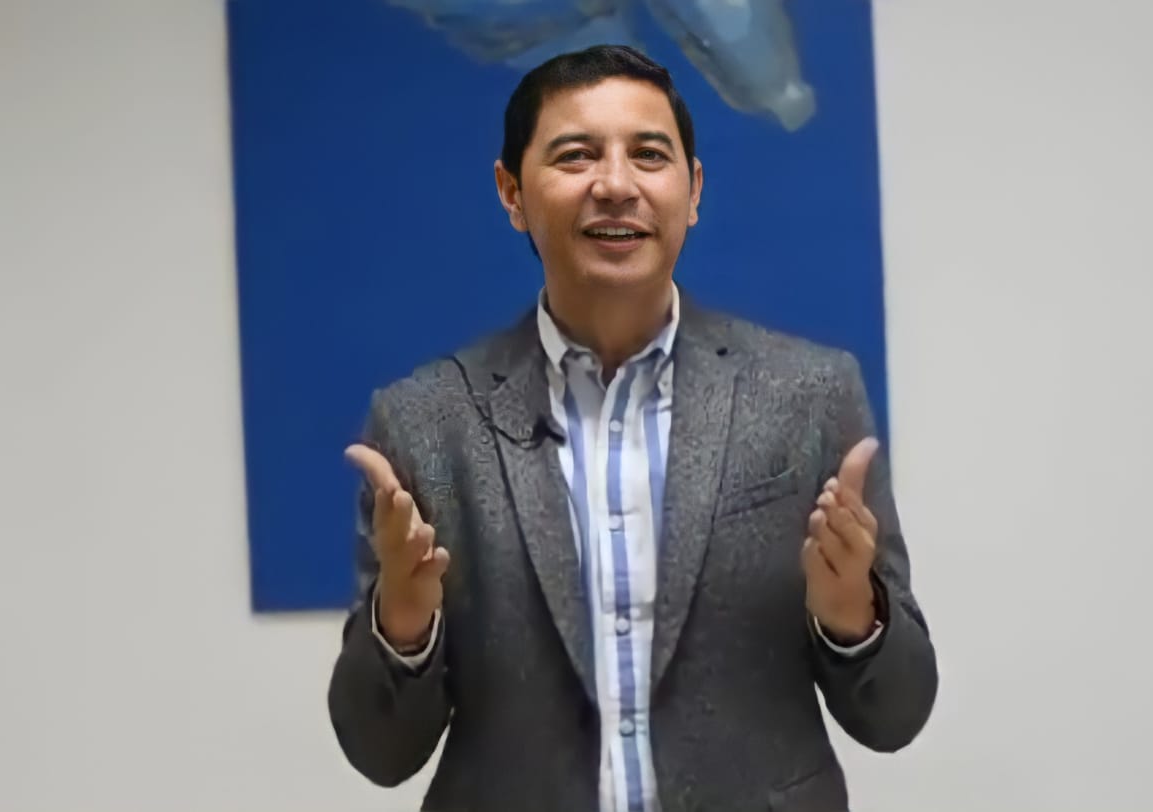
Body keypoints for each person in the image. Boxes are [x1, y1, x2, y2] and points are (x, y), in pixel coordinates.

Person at [328, 44, 937, 812]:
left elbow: (897, 714)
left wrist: (851, 615)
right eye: (576, 156)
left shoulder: (810, 396)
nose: (615, 185)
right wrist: (404, 623)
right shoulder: (425, 423)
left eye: (649, 155)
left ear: (693, 190)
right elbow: (379, 753)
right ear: (511, 192)